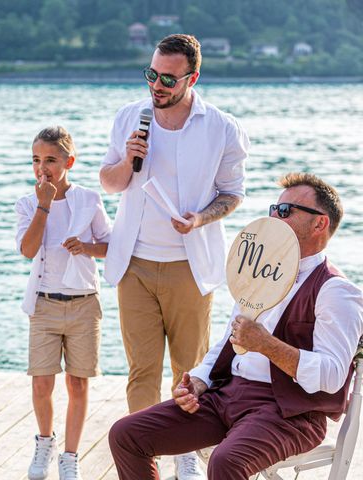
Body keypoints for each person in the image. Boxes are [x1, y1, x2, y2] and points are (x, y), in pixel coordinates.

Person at [108, 173, 363, 480]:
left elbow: (333, 376)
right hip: (226, 396)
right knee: (126, 435)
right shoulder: (258, 271)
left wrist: (267, 345)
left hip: (290, 413)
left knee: (226, 462)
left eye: (285, 211)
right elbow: (230, 339)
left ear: (320, 224)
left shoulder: (337, 291)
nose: (273, 217)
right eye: (272, 209)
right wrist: (200, 380)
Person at [99, 33, 249, 476]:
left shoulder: (222, 127)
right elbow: (109, 181)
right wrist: (127, 159)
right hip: (134, 266)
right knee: (140, 370)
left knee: (190, 370)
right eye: (151, 74)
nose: (156, 85)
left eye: (167, 78)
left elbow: (232, 194)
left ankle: (186, 453)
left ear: (192, 77)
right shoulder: (129, 117)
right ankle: (143, 458)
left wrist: (200, 219)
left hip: (190, 265)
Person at [15, 127, 111, 480]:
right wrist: (43, 204)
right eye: (36, 161)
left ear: (69, 162)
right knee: (41, 383)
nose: (43, 168)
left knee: (78, 383)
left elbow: (111, 246)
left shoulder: (89, 199)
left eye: (51, 160)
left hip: (85, 303)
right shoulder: (28, 203)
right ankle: (45, 442)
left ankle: (70, 456)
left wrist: (86, 248)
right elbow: (27, 251)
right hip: (44, 304)